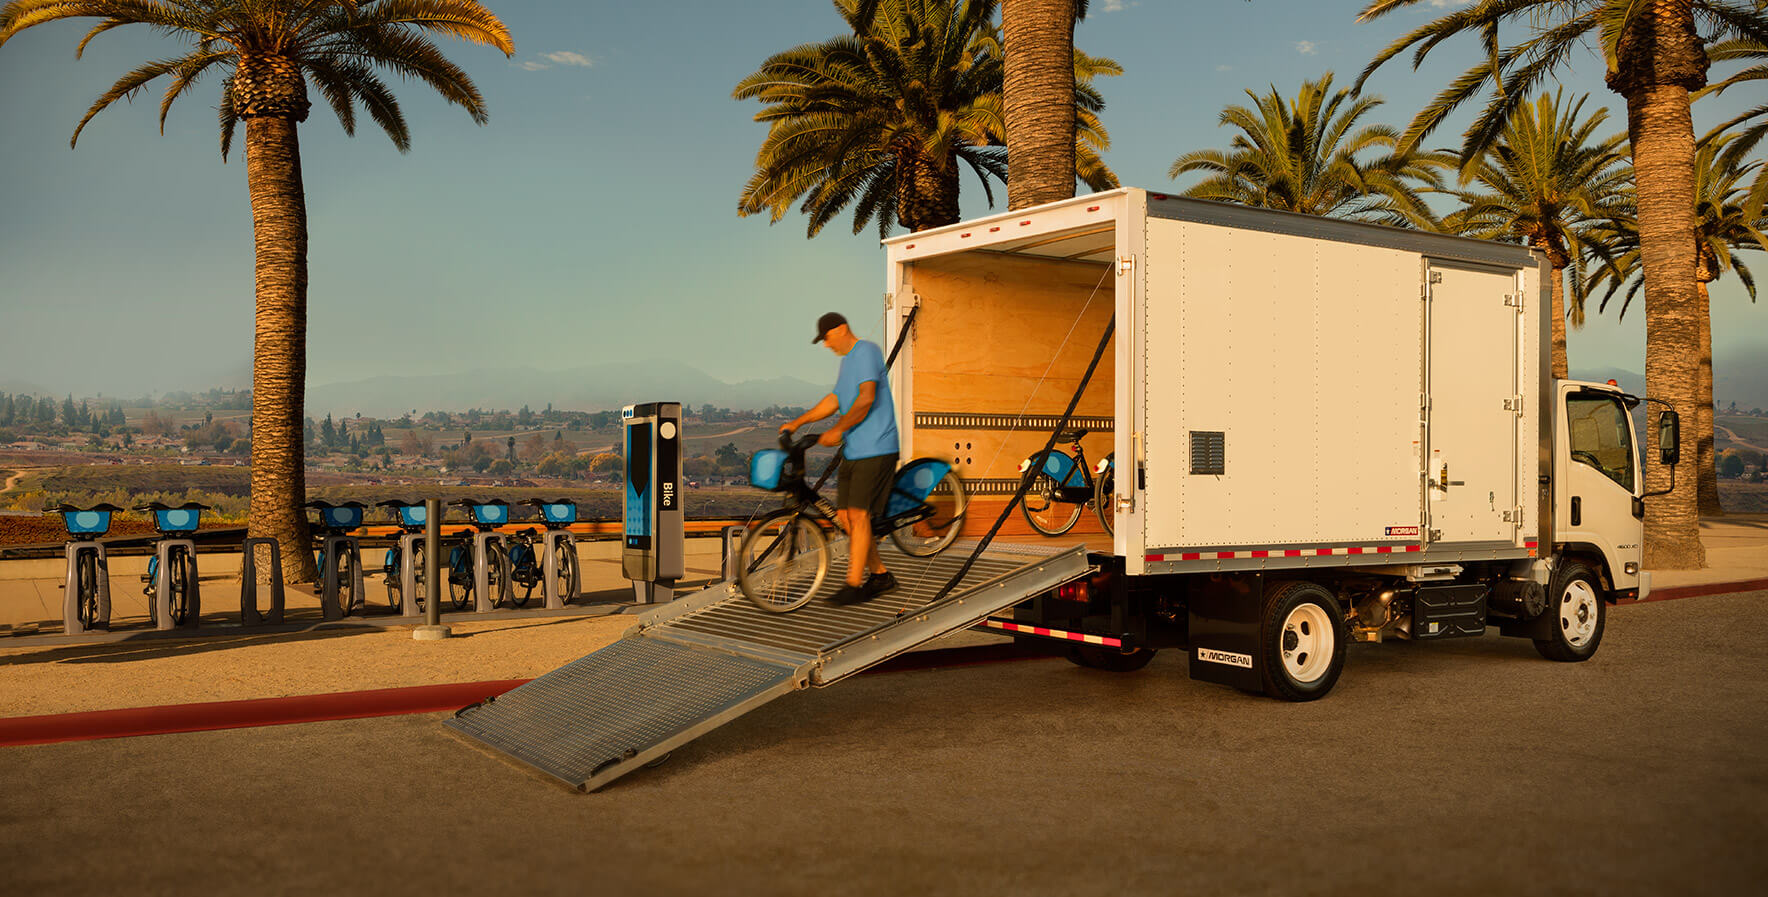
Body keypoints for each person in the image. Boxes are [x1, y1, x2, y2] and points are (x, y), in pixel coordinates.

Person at [780, 312, 899, 604]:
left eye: (827, 337)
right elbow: (834, 401)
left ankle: (853, 585)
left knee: (858, 516)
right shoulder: (847, 363)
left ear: (841, 329)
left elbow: (867, 398)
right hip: (854, 450)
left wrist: (839, 429)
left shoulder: (866, 351)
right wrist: (797, 423)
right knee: (846, 518)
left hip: (878, 447)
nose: (826, 345)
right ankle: (881, 576)